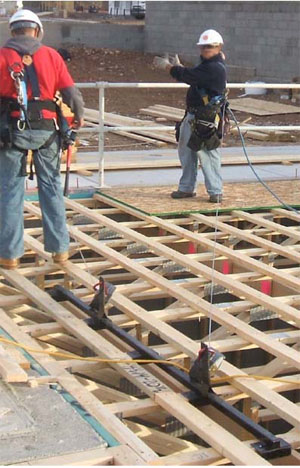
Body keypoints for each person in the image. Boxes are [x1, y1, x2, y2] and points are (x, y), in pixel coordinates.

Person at [0, 9, 84, 269]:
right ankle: (60, 250)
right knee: (50, 188)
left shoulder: (2, 56)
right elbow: (72, 95)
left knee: (10, 191)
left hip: (10, 132)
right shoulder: (52, 56)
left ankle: (9, 255)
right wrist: (78, 118)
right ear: (36, 30)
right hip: (47, 132)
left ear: (12, 31)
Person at [153, 29, 227, 203]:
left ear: (218, 48)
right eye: (203, 47)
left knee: (208, 153)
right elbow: (194, 75)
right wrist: (180, 69)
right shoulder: (208, 66)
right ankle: (186, 188)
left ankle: (215, 190)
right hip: (194, 116)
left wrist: (170, 68)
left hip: (205, 119)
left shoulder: (214, 68)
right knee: (186, 152)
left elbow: (189, 76)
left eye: (209, 47)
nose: (205, 50)